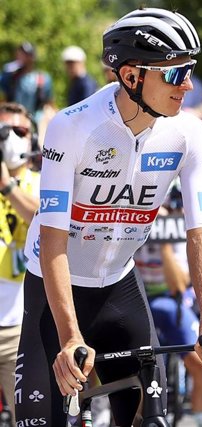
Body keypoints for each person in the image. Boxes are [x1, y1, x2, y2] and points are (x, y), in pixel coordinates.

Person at [14, 8, 202, 426]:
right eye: (175, 73)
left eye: (190, 70)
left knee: (148, 417)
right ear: (132, 76)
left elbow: (200, 233)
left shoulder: (190, 133)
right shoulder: (73, 127)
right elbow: (55, 237)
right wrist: (69, 336)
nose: (188, 84)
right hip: (53, 289)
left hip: (120, 287)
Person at [135, 188, 202, 426]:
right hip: (137, 298)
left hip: (172, 301)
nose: (166, 213)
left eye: (171, 209)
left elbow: (179, 286)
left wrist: (164, 244)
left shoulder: (178, 230)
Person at [0, 102, 40, 424]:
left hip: (20, 330)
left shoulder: (43, 181)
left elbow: (41, 215)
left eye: (19, 131)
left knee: (25, 417)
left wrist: (7, 186)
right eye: (3, 132)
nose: (10, 139)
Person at [0, 42, 53, 123]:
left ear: (32, 57)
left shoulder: (43, 78)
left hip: (35, 121)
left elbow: (49, 103)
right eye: (19, 53)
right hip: (14, 120)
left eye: (25, 54)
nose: (21, 56)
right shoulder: (10, 76)